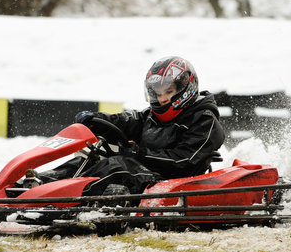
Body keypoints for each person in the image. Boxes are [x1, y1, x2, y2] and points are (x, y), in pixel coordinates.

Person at [39, 56, 225, 196]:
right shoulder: (152, 116)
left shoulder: (205, 120)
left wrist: (139, 154)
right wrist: (94, 120)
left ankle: (60, 197)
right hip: (145, 171)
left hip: (172, 181)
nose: (162, 99)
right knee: (91, 160)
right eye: (158, 93)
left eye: (168, 91)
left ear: (186, 88)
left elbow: (183, 161)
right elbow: (127, 121)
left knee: (117, 164)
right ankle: (36, 186)